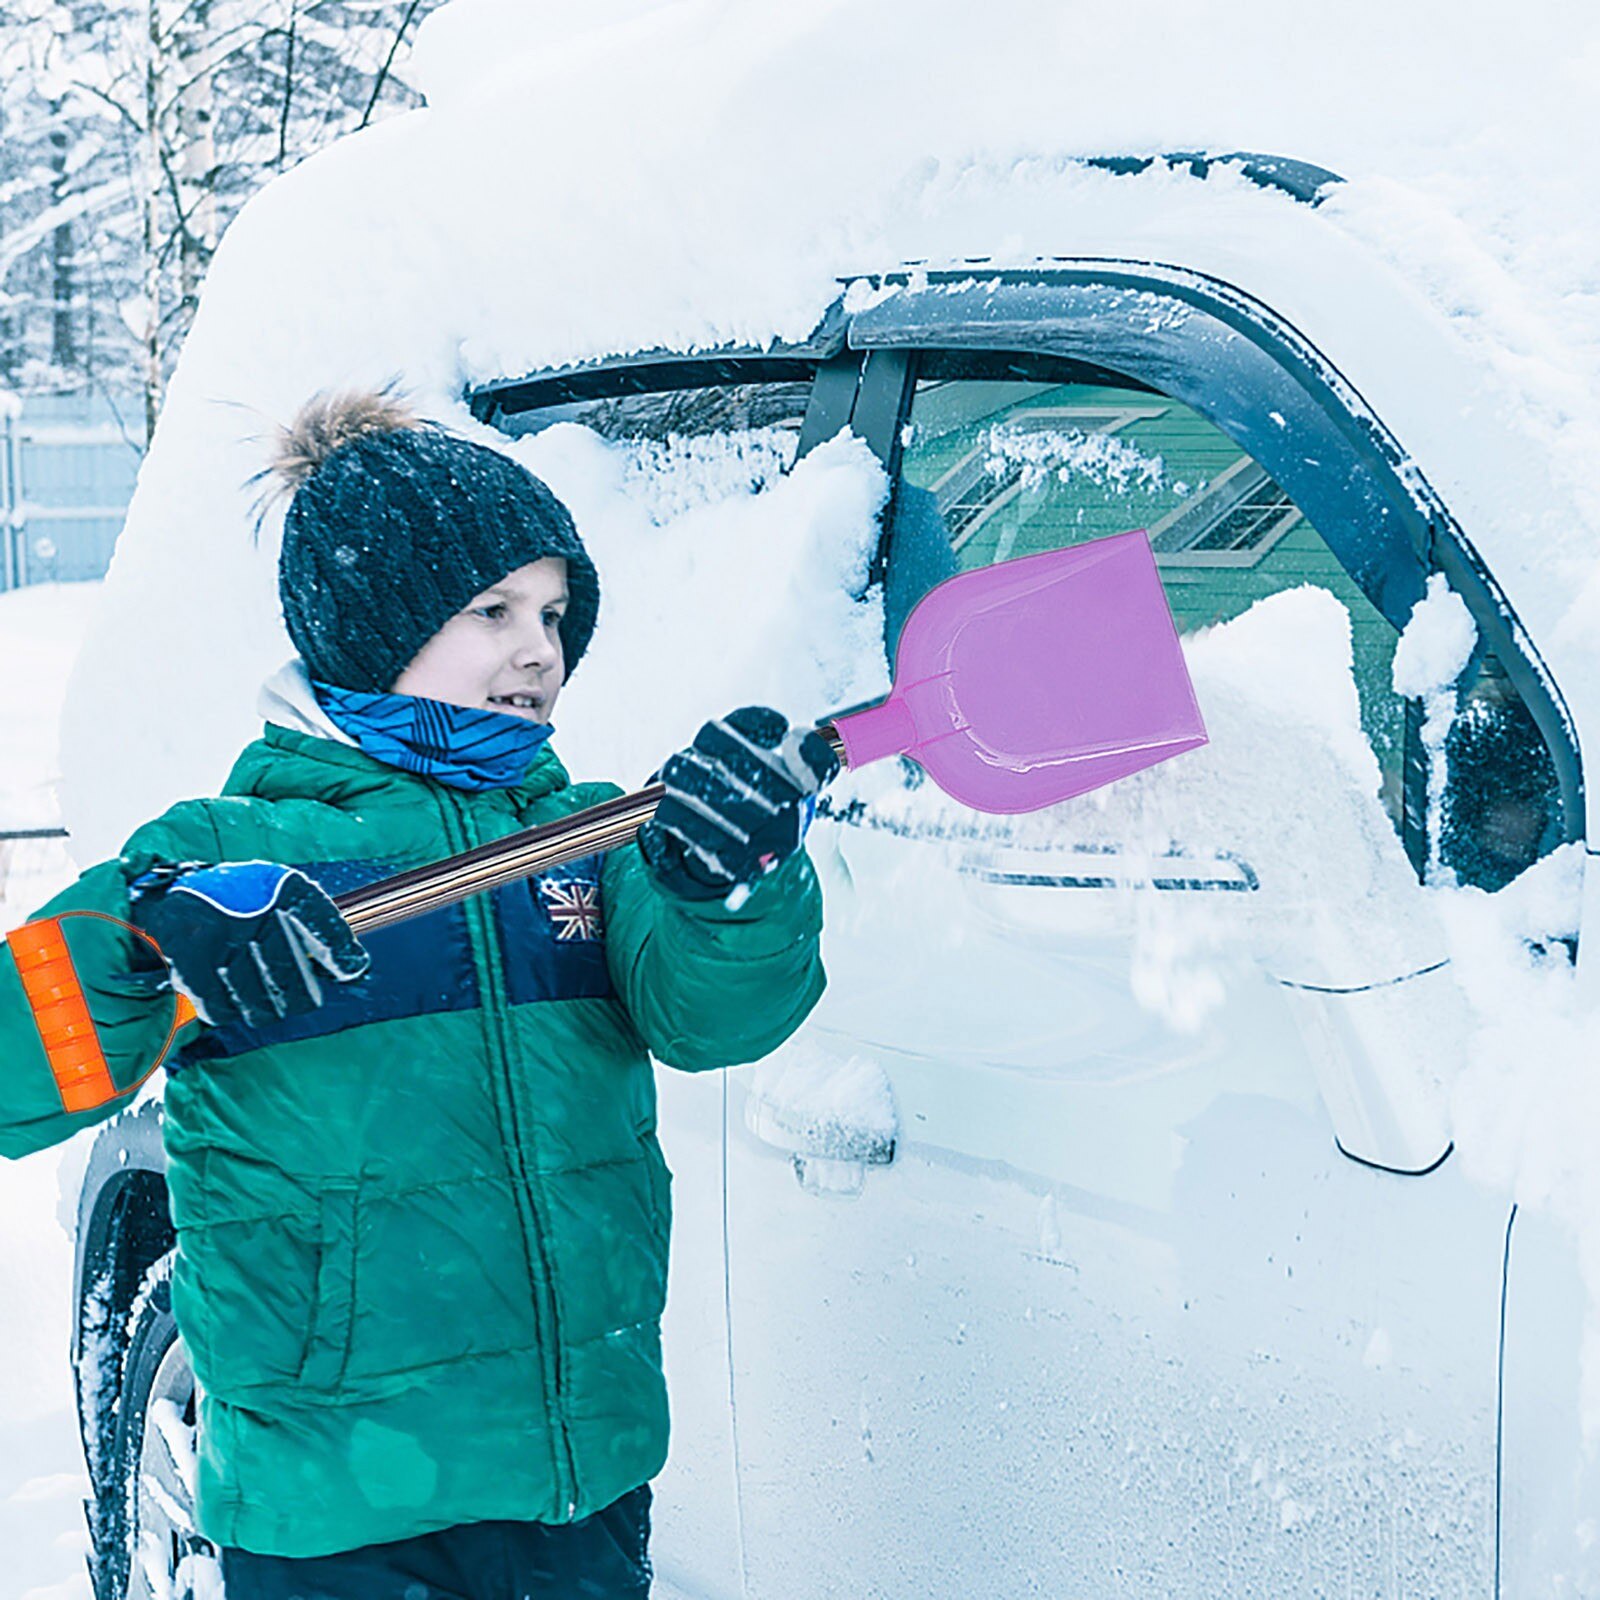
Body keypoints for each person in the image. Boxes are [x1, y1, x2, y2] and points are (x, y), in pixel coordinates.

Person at [0, 390, 837, 1599]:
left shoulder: (589, 838)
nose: (537, 648)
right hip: (342, 1509)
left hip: (578, 1475)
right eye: (491, 609)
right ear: (370, 626)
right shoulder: (232, 852)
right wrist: (140, 943)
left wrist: (730, 885)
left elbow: (717, 1017)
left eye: (554, 612)